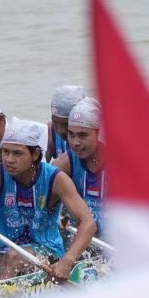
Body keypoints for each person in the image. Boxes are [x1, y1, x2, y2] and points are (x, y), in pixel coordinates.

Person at [0, 117, 97, 281]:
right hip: (2, 248)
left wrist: (68, 261)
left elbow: (88, 223)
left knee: (13, 257)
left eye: (17, 153)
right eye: (5, 152)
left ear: (35, 154)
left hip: (45, 250)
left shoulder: (56, 179)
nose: (9, 159)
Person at [53, 97, 106, 235]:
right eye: (71, 134)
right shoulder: (64, 163)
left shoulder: (122, 164)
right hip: (82, 237)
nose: (75, 143)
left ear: (99, 133)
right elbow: (43, 205)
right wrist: (56, 218)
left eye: (82, 135)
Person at [46, 85, 86, 160]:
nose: (60, 130)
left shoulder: (95, 137)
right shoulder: (50, 131)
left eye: (66, 124)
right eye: (55, 123)